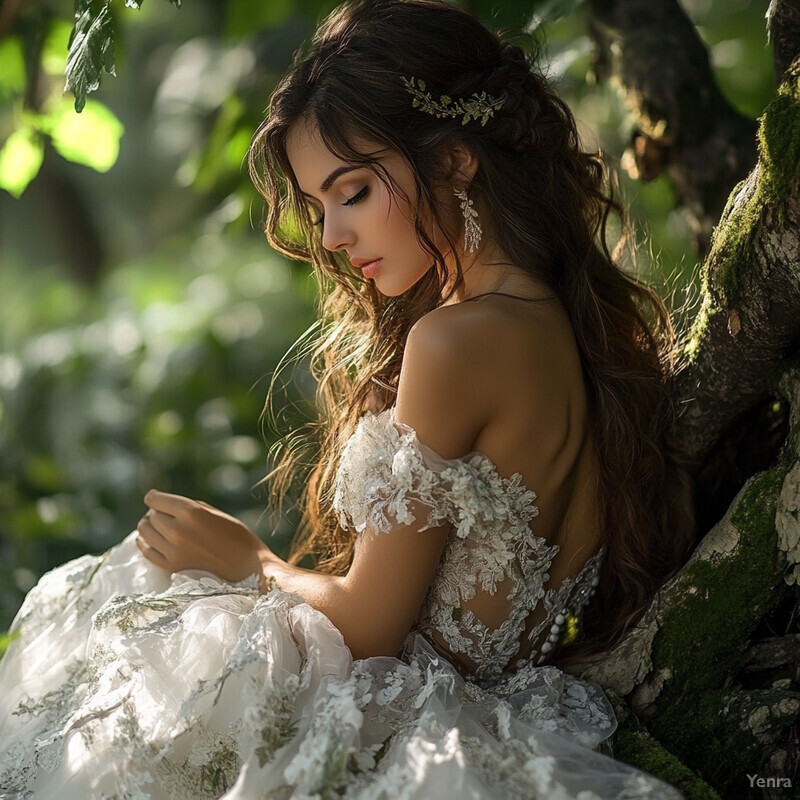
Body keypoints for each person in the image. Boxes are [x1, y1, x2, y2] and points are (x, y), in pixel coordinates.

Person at [0, 1, 695, 797]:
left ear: (458, 160)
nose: (330, 235)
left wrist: (252, 561)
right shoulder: (558, 324)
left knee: (119, 606)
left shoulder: (455, 343)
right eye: (319, 205)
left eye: (354, 191)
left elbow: (368, 630)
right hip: (507, 703)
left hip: (413, 708)